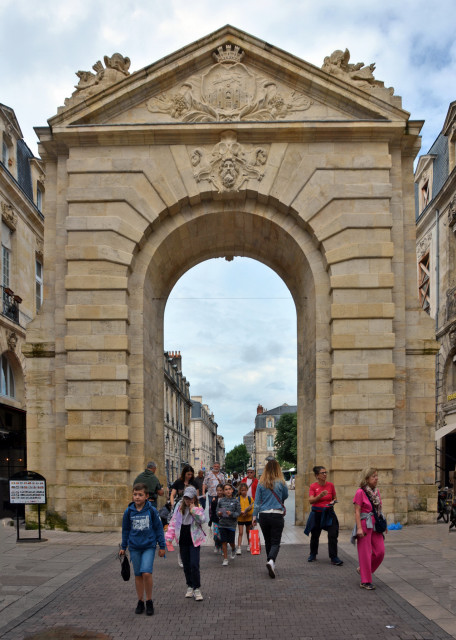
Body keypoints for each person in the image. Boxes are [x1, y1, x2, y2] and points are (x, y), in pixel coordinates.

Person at [119, 483, 166, 616]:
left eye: (140, 495)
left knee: (146, 572)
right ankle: (140, 601)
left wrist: (162, 546)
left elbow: (158, 529)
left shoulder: (151, 511)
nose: (137, 497)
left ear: (146, 496)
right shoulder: (128, 511)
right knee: (138, 575)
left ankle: (149, 600)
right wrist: (123, 547)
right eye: (135, 494)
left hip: (148, 546)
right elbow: (126, 530)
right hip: (134, 547)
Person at [165, 485, 206, 601]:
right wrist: (169, 537)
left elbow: (202, 519)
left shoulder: (198, 506)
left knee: (194, 564)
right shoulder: (179, 506)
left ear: (194, 498)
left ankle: (197, 588)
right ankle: (190, 586)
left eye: (190, 498)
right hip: (182, 538)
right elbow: (173, 522)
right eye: (186, 498)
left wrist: (194, 510)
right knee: (186, 565)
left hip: (194, 539)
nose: (188, 500)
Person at [252, 458, 288, 579]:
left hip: (264, 515)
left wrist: (254, 516)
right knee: (276, 541)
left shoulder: (261, 483)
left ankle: (270, 562)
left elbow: (257, 502)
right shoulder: (281, 482)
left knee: (268, 540)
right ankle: (271, 560)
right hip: (277, 514)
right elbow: (285, 496)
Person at [353, 467, 386, 590]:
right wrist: (359, 528)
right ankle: (365, 580)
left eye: (377, 476)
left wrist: (384, 524)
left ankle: (364, 570)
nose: (376, 478)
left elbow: (380, 509)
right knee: (365, 553)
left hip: (376, 525)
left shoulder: (376, 492)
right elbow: (357, 511)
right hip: (365, 524)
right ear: (366, 479)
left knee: (380, 552)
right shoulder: (360, 492)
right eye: (373, 476)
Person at [304, 465, 343, 566]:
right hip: (317, 513)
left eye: (326, 472)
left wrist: (333, 502)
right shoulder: (313, 486)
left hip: (329, 512)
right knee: (315, 534)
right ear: (317, 475)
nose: (325, 474)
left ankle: (334, 557)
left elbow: (334, 497)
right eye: (323, 473)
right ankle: (313, 554)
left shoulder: (330, 485)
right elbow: (310, 500)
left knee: (333, 534)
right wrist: (320, 496)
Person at [217, 482, 241, 566]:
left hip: (231, 525)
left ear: (232, 490)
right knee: (223, 541)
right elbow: (217, 511)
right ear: (223, 491)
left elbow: (238, 513)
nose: (228, 491)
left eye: (229, 489)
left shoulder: (236, 501)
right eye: (226, 489)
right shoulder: (221, 501)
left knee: (231, 541)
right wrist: (219, 513)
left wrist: (231, 514)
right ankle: (225, 559)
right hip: (222, 524)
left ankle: (233, 548)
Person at [236, 482, 253, 554]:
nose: (244, 492)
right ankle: (239, 547)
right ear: (240, 491)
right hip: (240, 518)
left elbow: (252, 508)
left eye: (245, 490)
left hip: (248, 518)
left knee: (248, 532)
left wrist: (247, 513)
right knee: (240, 532)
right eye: (242, 490)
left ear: (247, 490)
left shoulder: (250, 498)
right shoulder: (237, 499)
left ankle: (249, 545)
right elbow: (236, 508)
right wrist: (240, 512)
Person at [209, 483, 224, 555]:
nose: (219, 492)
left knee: (221, 536)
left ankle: (222, 548)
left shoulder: (226, 499)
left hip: (223, 521)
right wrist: (210, 520)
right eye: (218, 490)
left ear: (223, 491)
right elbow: (212, 510)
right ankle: (216, 544)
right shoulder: (214, 499)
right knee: (215, 535)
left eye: (221, 490)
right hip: (216, 520)